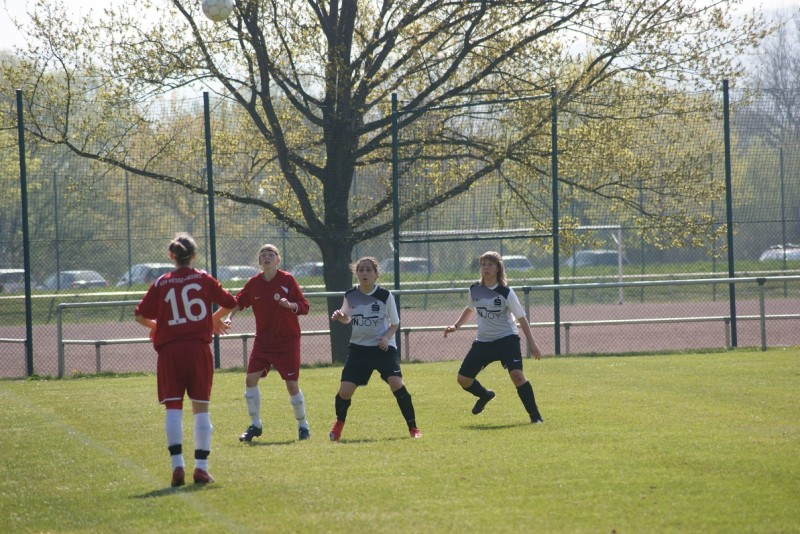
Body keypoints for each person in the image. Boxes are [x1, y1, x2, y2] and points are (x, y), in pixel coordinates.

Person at [134, 233, 236, 487]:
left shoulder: (162, 282)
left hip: (170, 352)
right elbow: (231, 302)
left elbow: (139, 315)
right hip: (198, 350)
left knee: (173, 409)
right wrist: (211, 321)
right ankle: (201, 468)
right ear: (194, 256)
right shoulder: (203, 278)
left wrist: (157, 326)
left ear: (171, 256)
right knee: (201, 408)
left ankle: (177, 466)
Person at [443, 251, 544, 423]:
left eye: (490, 264)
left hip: (507, 340)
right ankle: (485, 395)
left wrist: (532, 344)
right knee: (463, 379)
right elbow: (470, 309)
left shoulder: (506, 292)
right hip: (483, 342)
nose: (486, 268)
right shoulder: (474, 289)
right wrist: (456, 326)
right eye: (483, 264)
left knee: (517, 376)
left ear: (498, 268)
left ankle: (535, 417)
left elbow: (521, 318)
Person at [329, 256, 421, 441]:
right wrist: (340, 316)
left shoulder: (385, 295)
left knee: (396, 384)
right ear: (356, 274)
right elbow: (347, 317)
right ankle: (338, 424)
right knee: (345, 392)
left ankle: (413, 428)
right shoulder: (350, 295)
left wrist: (386, 337)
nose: (364, 273)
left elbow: (395, 323)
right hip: (358, 350)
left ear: (376, 274)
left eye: (368, 270)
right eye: (361, 270)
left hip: (382, 348)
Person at [225, 244, 311, 442]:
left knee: (292, 385)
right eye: (263, 254)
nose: (266, 257)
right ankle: (255, 425)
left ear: (277, 260)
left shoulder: (287, 279)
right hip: (263, 341)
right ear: (259, 261)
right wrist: (229, 317)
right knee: (250, 380)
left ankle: (303, 426)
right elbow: (239, 301)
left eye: (271, 254)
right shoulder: (254, 283)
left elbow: (304, 306)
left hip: (287, 340)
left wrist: (290, 305)